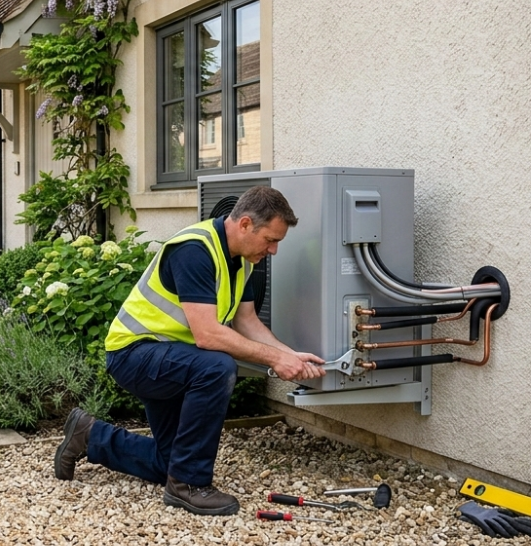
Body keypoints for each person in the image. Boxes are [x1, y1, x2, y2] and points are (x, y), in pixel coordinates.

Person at [53, 186, 327, 516]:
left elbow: (248, 322)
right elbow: (208, 335)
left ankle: (90, 435)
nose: (274, 250)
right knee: (216, 367)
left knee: (168, 461)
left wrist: (290, 355)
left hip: (172, 359)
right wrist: (274, 359)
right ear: (243, 224)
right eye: (270, 239)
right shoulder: (195, 250)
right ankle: (189, 486)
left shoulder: (243, 262)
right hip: (134, 354)